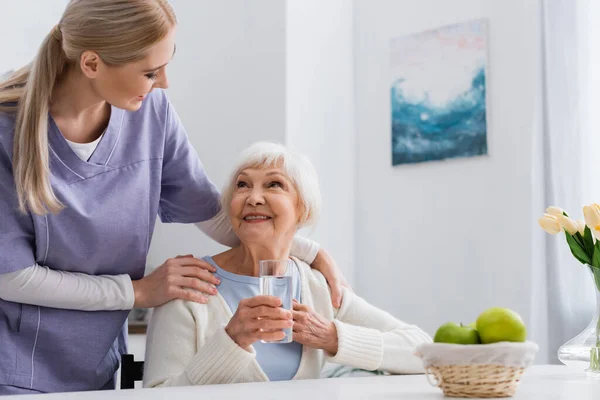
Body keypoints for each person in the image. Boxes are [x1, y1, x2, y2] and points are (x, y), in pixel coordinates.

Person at [0, 1, 347, 395]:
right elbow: (11, 277)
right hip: (12, 366)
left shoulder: (151, 111)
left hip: (95, 365)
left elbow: (215, 215)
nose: (164, 83)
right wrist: (139, 291)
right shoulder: (5, 129)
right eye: (150, 72)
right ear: (92, 64)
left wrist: (304, 250)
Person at [143, 143, 432, 387]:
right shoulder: (189, 285)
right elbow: (156, 394)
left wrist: (333, 337)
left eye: (274, 184)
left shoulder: (319, 286)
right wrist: (231, 342)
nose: (253, 198)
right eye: (242, 185)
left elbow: (422, 350)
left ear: (302, 209)